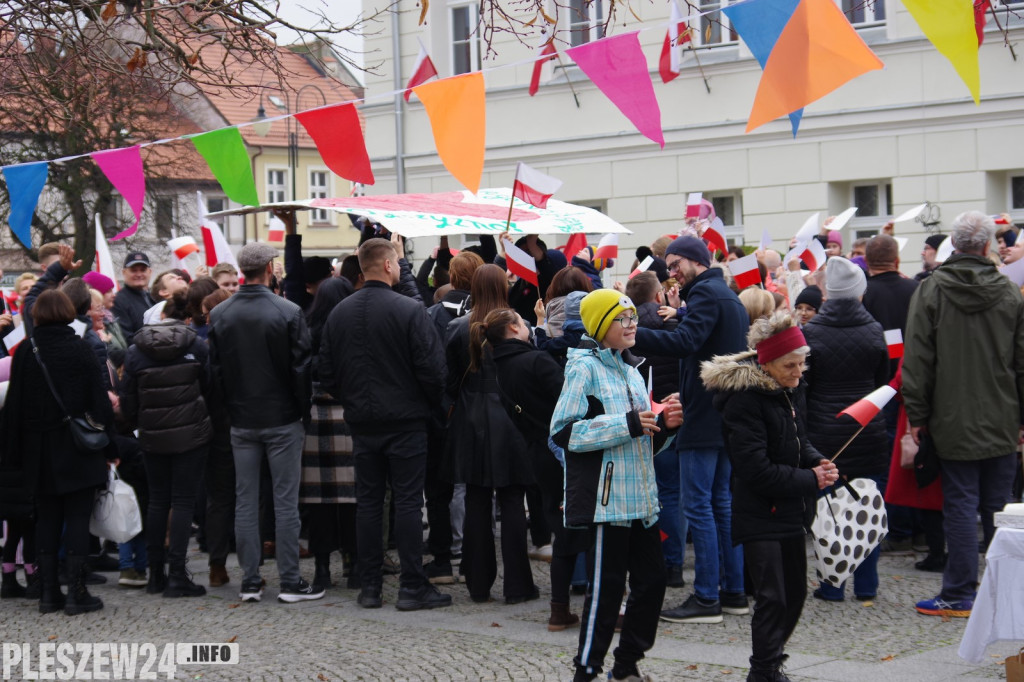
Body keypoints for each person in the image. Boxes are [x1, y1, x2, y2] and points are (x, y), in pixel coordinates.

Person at [700, 311, 839, 682]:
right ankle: (762, 672)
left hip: (791, 507)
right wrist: (810, 479)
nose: (798, 372)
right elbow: (754, 469)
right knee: (773, 597)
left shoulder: (788, 389)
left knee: (794, 595)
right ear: (768, 364)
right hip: (758, 512)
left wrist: (817, 462)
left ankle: (771, 662)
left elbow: (798, 439)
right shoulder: (745, 400)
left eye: (801, 364)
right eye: (790, 365)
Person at [551, 289, 681, 682]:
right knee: (605, 593)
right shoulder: (583, 368)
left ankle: (626, 666)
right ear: (600, 325)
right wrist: (627, 422)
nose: (632, 325)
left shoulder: (631, 369)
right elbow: (564, 433)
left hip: (641, 501)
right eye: (622, 319)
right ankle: (587, 670)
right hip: (608, 506)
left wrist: (666, 426)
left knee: (653, 584)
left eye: (632, 318)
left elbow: (642, 438)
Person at [317, 237, 451, 612]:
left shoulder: (339, 312)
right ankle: (411, 586)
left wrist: (354, 398)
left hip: (363, 420)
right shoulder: (409, 310)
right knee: (408, 502)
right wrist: (424, 403)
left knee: (369, 503)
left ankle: (370, 586)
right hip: (406, 419)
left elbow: (325, 372)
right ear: (391, 266)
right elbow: (433, 370)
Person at [903, 211, 1024, 618]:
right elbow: (1022, 362)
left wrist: (917, 416)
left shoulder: (932, 290)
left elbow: (917, 359)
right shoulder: (1010, 293)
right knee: (998, 506)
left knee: (960, 504)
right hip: (1002, 414)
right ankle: (1005, 593)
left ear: (954, 245)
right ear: (987, 246)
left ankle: (958, 593)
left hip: (951, 415)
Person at [631, 235, 749, 624]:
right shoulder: (726, 295)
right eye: (668, 266)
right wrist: (680, 315)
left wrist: (627, 335)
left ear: (697, 260)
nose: (671, 272)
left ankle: (705, 599)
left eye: (676, 263)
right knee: (719, 506)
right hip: (724, 413)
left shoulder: (707, 295)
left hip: (704, 414)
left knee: (699, 505)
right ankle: (732, 593)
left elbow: (687, 343)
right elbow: (704, 337)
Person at [208, 242, 323, 604]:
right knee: (285, 501)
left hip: (242, 418)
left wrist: (226, 413)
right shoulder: (287, 310)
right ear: (270, 268)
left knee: (246, 499)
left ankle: (251, 580)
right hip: (281, 418)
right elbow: (301, 369)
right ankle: (289, 581)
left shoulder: (221, 313)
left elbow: (215, 373)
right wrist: (301, 411)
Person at [0, 289, 116, 615]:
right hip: (77, 447)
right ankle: (78, 593)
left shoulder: (26, 351)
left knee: (46, 519)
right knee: (78, 517)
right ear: (67, 312)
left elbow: (15, 407)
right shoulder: (79, 349)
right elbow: (100, 403)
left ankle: (48, 594)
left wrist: (13, 453)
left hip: (38, 450)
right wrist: (112, 445)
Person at [448, 265, 537, 605]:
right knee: (513, 500)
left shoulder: (458, 326)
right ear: (504, 286)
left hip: (471, 417)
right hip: (511, 415)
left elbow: (448, 377)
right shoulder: (518, 326)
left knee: (477, 498)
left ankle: (478, 584)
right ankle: (517, 585)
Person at [802, 257, 889, 602]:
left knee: (828, 512)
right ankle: (867, 586)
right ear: (858, 294)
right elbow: (882, 378)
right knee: (868, 506)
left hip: (824, 430)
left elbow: (803, 383)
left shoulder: (810, 332)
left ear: (828, 294)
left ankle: (832, 585)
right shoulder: (874, 330)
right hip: (867, 426)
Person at [120, 291, 212, 598]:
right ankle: (177, 575)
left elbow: (128, 397)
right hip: (191, 435)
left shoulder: (136, 350)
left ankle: (155, 575)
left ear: (161, 316)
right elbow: (210, 389)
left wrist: (138, 425)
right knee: (183, 502)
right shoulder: (197, 345)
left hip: (151, 435)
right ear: (187, 317)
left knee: (157, 501)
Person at [112, 252, 154, 344]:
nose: (139, 274)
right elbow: (126, 337)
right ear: (124, 272)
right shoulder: (118, 301)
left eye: (143, 270)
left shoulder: (154, 298)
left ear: (150, 272)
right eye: (134, 270)